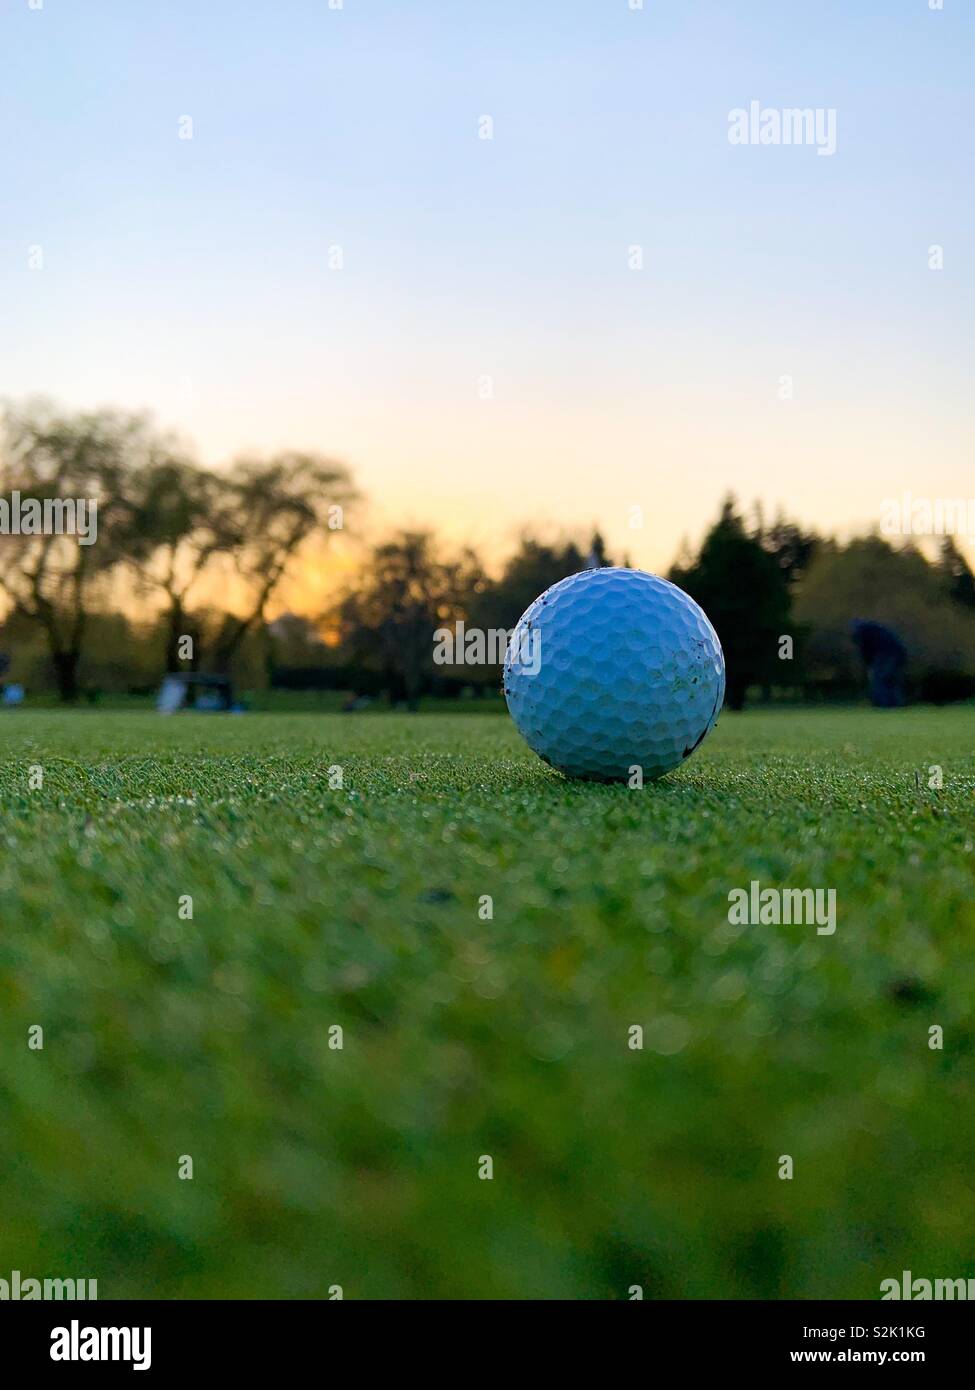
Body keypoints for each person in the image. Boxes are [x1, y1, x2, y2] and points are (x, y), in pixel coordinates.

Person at [850, 620, 907, 707]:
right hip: (898, 653)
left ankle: (884, 704)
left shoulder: (863, 634)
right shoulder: (875, 631)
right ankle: (896, 704)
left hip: (888, 655)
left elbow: (865, 652)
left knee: (879, 680)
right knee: (891, 680)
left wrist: (868, 667)